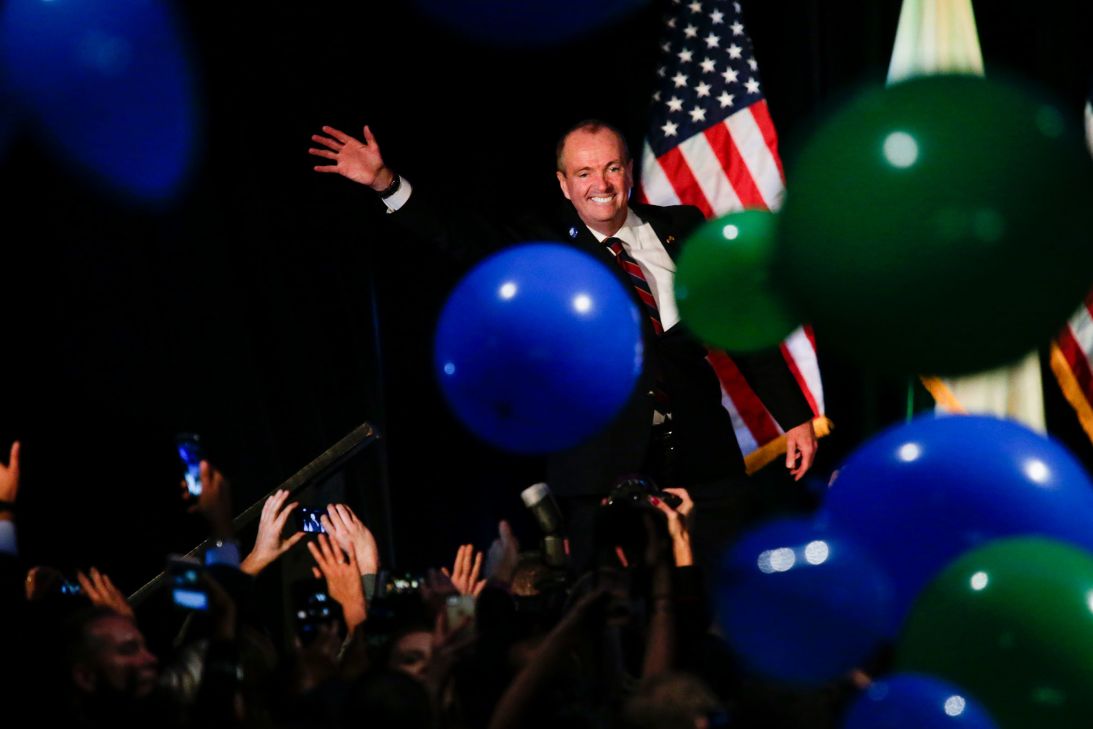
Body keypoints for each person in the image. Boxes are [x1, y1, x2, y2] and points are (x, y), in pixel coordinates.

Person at [308, 120, 817, 570]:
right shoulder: (547, 248)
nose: (601, 184)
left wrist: (793, 416)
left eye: (612, 168)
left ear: (629, 172)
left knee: (724, 602)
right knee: (626, 629)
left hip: (707, 469)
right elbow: (461, 238)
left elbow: (737, 323)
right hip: (603, 477)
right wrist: (385, 183)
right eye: (584, 173)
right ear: (564, 184)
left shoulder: (681, 227)